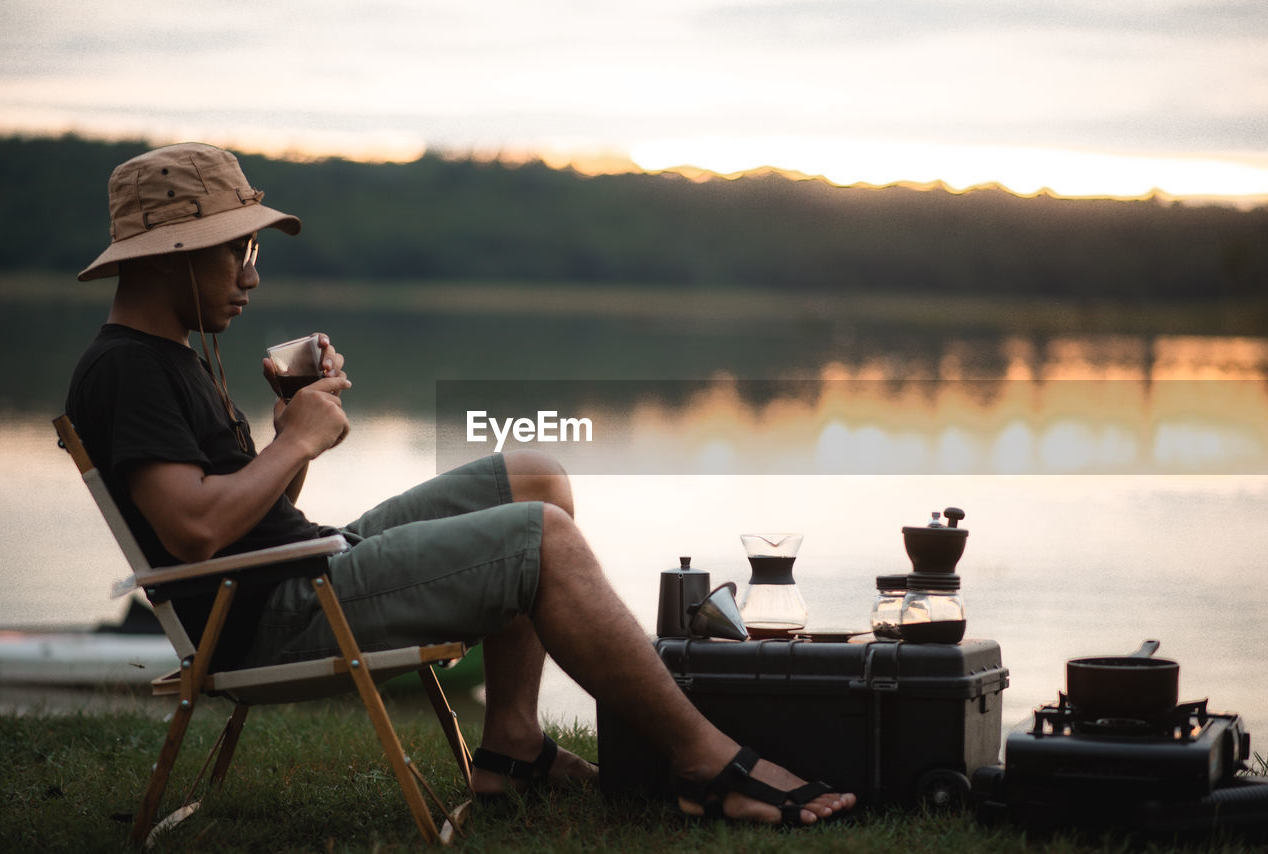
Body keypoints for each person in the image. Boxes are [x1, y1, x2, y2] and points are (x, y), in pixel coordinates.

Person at [65, 142, 856, 825]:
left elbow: (247, 517)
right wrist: (300, 439)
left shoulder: (170, 357)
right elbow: (193, 534)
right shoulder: (129, 370)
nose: (251, 276)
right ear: (174, 252)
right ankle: (705, 767)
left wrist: (288, 439)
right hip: (274, 613)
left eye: (252, 254)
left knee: (533, 478)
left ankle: (511, 746)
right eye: (236, 252)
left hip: (294, 572)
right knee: (540, 540)